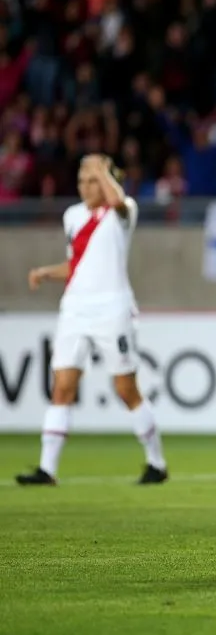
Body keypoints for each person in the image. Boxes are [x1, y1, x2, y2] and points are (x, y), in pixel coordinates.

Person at [16, 154, 169, 486]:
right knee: (62, 387)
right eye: (82, 180)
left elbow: (118, 202)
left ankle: (156, 462)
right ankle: (47, 469)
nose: (86, 186)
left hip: (112, 310)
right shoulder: (73, 215)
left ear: (107, 180)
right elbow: (78, 264)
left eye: (93, 179)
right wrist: (45, 271)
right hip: (74, 309)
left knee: (125, 388)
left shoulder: (122, 212)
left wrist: (101, 168)